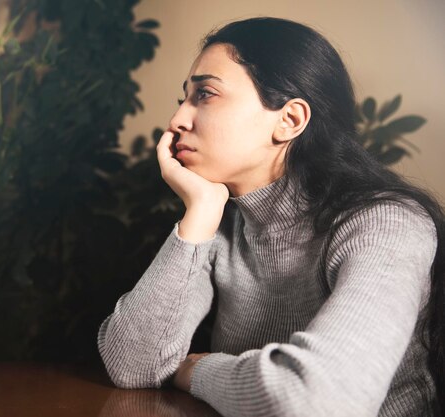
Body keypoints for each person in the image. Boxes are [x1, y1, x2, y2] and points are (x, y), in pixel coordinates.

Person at [97, 16, 445, 417]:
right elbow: (133, 365)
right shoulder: (223, 224)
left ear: (290, 120)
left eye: (205, 94)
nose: (176, 122)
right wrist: (200, 214)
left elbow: (315, 401)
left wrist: (197, 370)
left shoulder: (387, 225)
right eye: (183, 100)